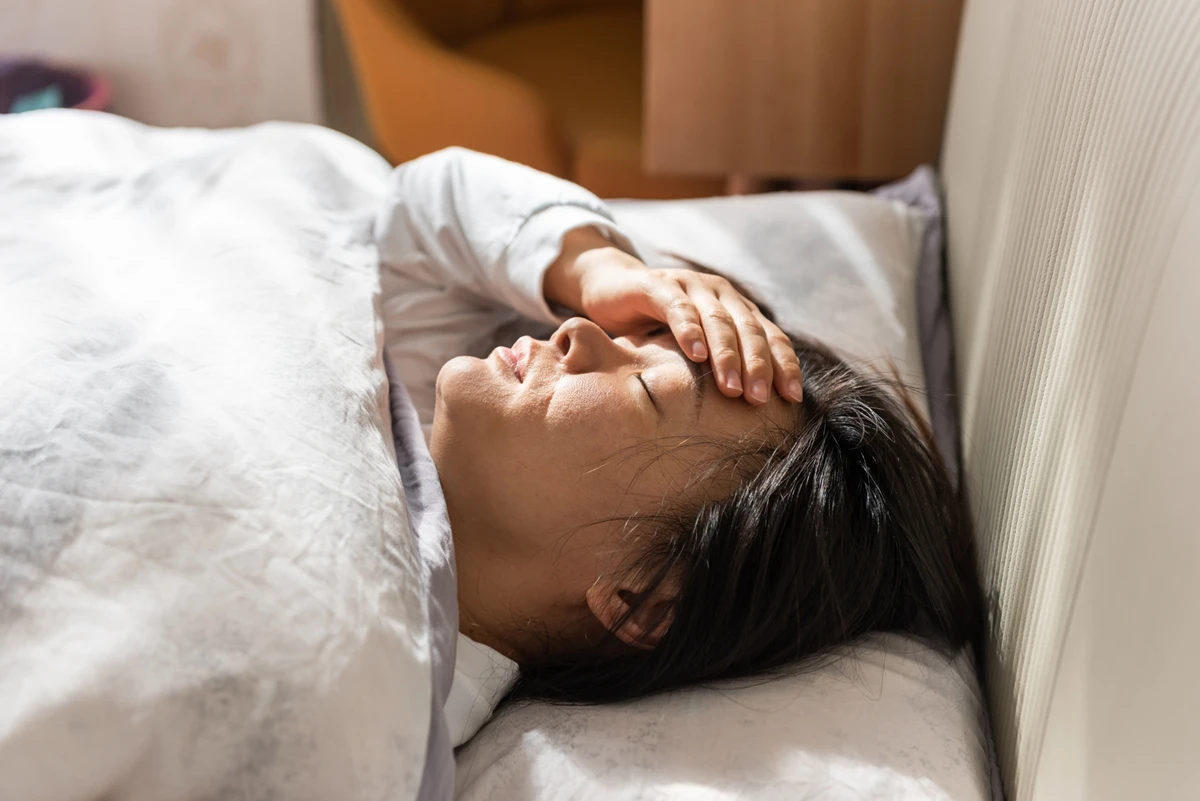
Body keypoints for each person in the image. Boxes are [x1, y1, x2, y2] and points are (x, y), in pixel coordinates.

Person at [379, 148, 982, 744]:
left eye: (644, 389)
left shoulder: (385, 694)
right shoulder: (411, 412)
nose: (579, 331)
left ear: (642, 597)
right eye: (630, 337)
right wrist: (599, 270)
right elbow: (414, 210)